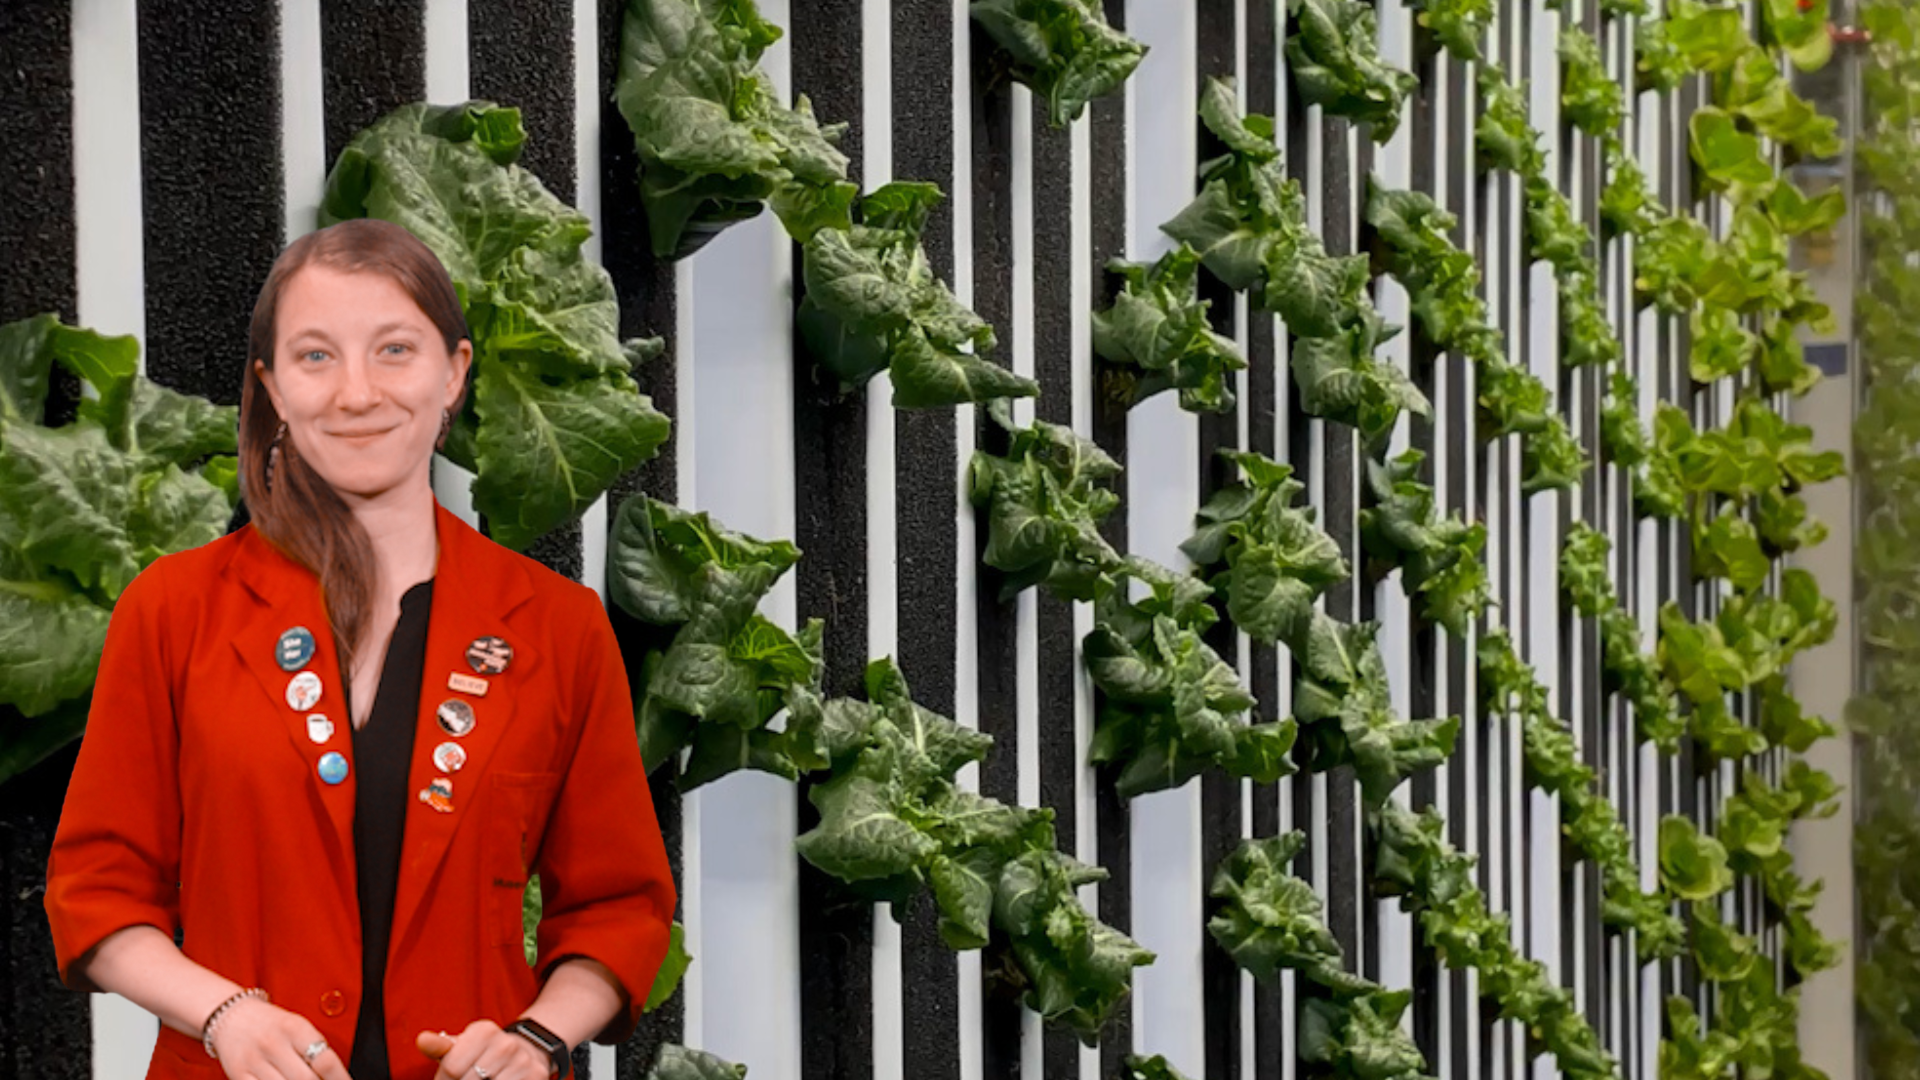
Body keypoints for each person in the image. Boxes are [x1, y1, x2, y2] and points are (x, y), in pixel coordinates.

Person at [45, 218, 676, 1080]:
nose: (355, 394)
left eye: (394, 351)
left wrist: (535, 1038)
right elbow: (98, 893)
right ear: (269, 386)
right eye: (315, 357)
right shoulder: (174, 610)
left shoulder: (556, 626)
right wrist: (224, 1015)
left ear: (453, 372)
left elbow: (618, 908)